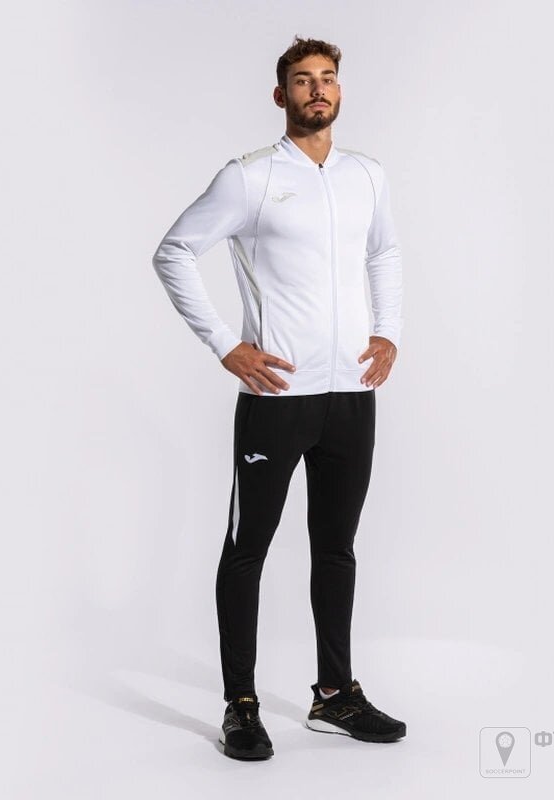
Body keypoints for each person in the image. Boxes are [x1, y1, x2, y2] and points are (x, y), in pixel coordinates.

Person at [152, 35, 406, 760]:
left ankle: (335, 696)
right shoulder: (251, 178)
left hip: (351, 393)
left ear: (340, 91)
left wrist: (388, 332)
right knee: (248, 550)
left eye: (327, 78)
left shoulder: (367, 175)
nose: (316, 89)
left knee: (337, 548)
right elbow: (173, 251)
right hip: (278, 394)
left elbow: (384, 251)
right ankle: (240, 704)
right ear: (280, 95)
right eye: (302, 80)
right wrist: (225, 343)